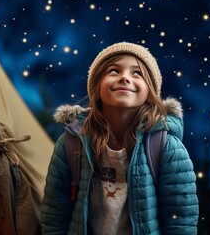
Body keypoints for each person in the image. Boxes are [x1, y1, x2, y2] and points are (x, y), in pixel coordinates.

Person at [40, 42, 199, 234]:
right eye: (114, 71)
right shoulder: (71, 143)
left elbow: (180, 222)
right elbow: (54, 216)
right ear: (97, 88)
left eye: (137, 73)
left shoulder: (167, 148)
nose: (125, 77)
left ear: (150, 92)